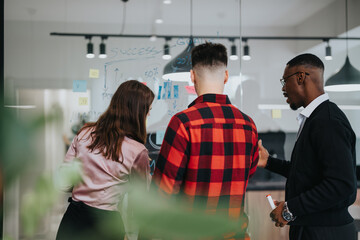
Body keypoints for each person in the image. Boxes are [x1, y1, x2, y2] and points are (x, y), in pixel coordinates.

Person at [153, 42, 259, 239]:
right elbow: (247, 174)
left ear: (192, 76)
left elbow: (163, 193)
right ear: (226, 76)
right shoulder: (248, 125)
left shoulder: (183, 123)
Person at [258, 53, 357, 240]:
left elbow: (341, 184)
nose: (283, 89)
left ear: (300, 77)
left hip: (325, 233)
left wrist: (290, 208)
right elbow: (306, 172)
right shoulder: (316, 118)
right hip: (315, 229)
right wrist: (268, 162)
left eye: (284, 81)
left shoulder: (327, 121)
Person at [56, 80, 154, 240]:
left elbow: (63, 182)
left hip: (73, 221)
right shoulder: (137, 151)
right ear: (138, 112)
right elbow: (141, 201)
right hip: (106, 226)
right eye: (147, 110)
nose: (148, 114)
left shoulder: (85, 133)